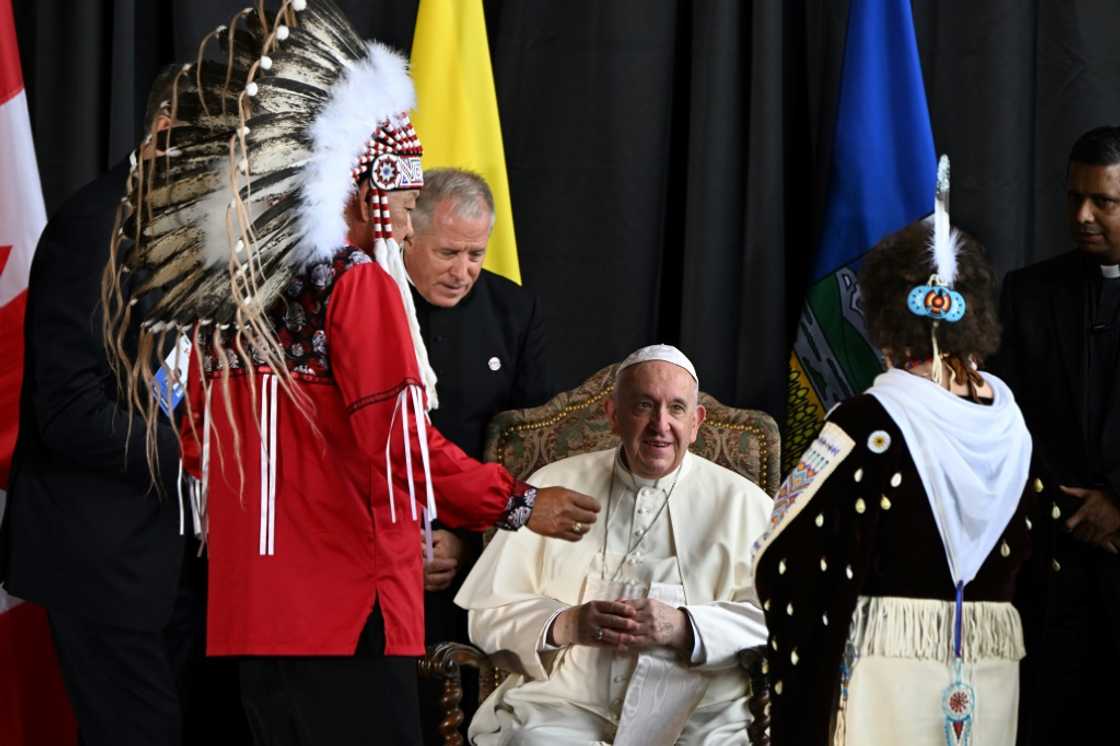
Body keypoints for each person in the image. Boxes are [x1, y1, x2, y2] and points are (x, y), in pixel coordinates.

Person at [98, 3, 597, 745]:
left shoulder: (242, 289)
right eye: (401, 192)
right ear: (368, 188)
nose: (405, 211)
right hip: (344, 605)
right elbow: (398, 447)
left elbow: (199, 441)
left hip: (253, 607)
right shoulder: (357, 284)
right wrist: (517, 503)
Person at [754, 158, 1054, 746]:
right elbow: (1045, 562)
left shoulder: (865, 428)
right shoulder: (1013, 428)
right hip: (990, 677)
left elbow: (782, 556)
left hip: (883, 675)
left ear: (885, 321)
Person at [0, 70, 196, 746]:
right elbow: (67, 409)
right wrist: (196, 451)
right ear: (169, 130)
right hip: (100, 552)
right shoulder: (96, 227)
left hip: (169, 553)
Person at [456, 344, 773, 745]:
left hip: (700, 712)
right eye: (644, 405)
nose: (660, 424)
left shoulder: (745, 505)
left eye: (676, 409)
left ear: (696, 422)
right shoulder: (552, 487)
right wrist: (567, 623)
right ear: (613, 416)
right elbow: (488, 612)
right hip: (564, 707)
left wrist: (685, 627)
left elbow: (782, 622)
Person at [405, 168, 553, 743]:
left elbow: (529, 443)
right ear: (407, 236)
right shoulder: (370, 302)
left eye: (475, 253)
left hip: (476, 549)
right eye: (447, 252)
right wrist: (403, 538)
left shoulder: (514, 311)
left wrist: (467, 538)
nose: (463, 270)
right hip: (374, 543)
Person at [989, 125, 1120, 744]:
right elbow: (1002, 419)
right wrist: (1068, 507)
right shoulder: (1028, 293)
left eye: (1105, 202)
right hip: (1051, 564)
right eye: (1075, 198)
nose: (1084, 215)